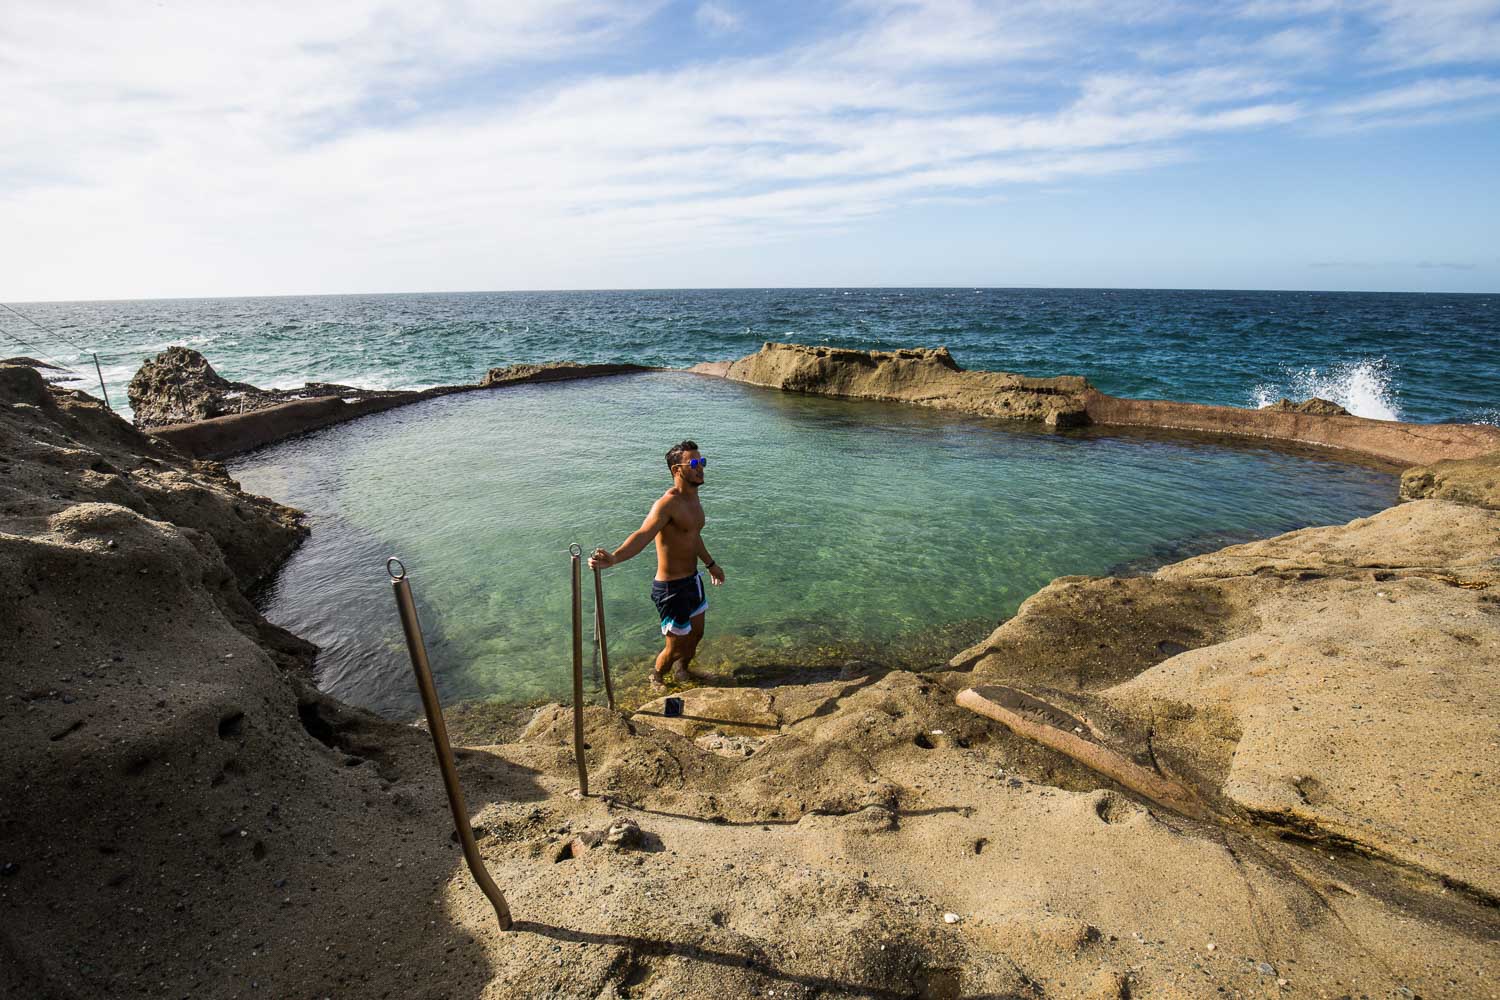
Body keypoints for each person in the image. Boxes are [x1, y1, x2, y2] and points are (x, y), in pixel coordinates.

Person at [589, 440, 725, 688]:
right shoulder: (667, 504)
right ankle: (657, 675)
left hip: (692, 581)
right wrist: (615, 557)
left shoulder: (694, 500)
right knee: (674, 647)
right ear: (677, 470)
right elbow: (643, 534)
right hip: (671, 588)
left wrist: (710, 563)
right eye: (694, 463)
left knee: (696, 635)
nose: (700, 468)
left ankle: (683, 671)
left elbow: (692, 536)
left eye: (702, 462)